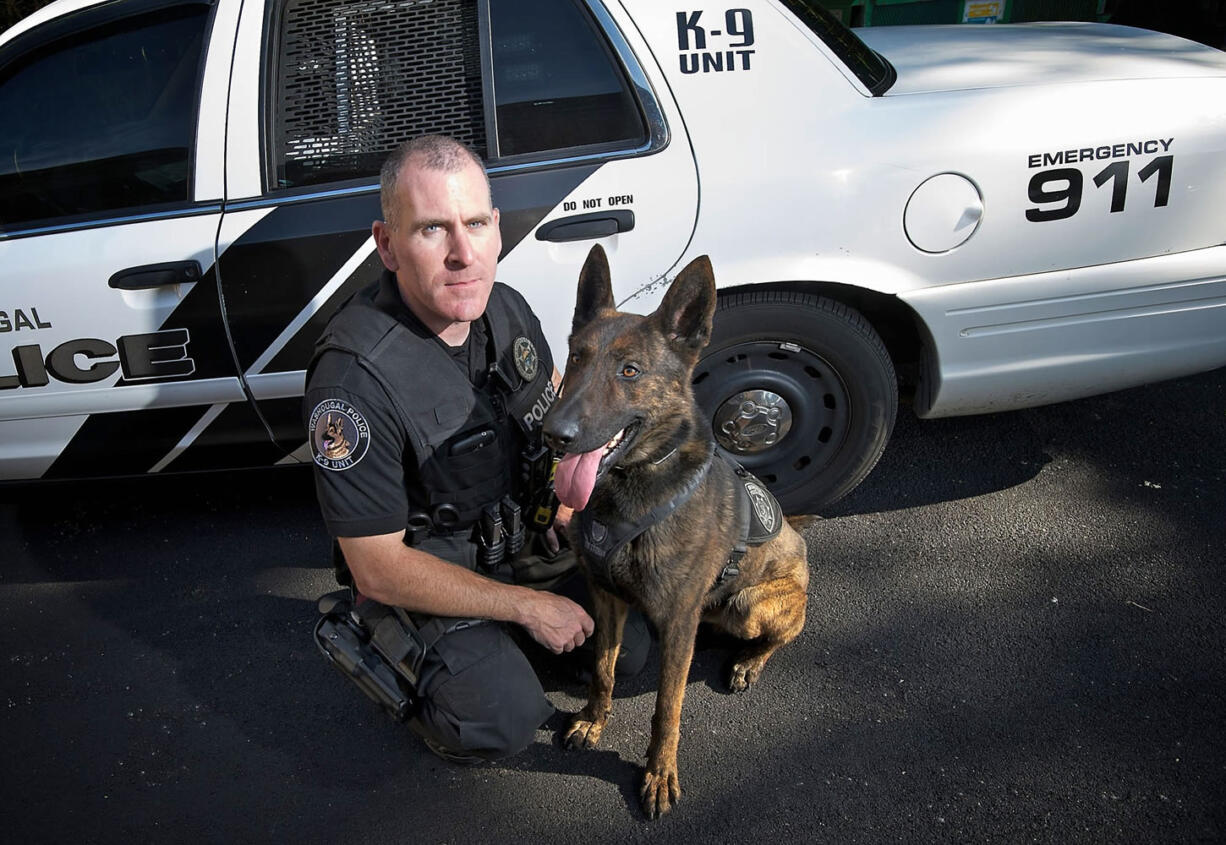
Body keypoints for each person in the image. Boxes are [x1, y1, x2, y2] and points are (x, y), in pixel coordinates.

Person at [304, 134, 648, 764]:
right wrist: (529, 607)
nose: (464, 254)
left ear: (495, 228)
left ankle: (502, 639)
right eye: (432, 230)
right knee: (497, 720)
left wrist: (564, 510)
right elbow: (376, 564)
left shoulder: (507, 310)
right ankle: (382, 635)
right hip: (424, 566)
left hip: (517, 536)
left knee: (631, 652)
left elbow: (547, 410)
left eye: (475, 224)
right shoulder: (352, 380)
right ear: (387, 245)